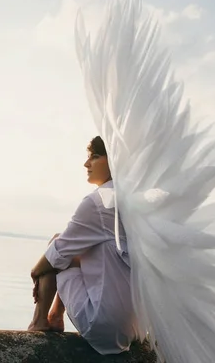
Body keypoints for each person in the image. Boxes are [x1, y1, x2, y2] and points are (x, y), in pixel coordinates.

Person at [27, 136, 137, 355]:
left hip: (102, 325)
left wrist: (35, 273)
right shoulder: (134, 200)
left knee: (57, 242)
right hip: (133, 330)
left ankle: (39, 322)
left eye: (94, 157)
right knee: (73, 249)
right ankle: (56, 316)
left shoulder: (99, 202)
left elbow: (56, 254)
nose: (86, 164)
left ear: (114, 160)